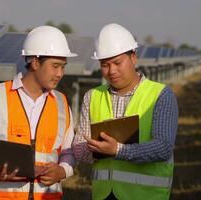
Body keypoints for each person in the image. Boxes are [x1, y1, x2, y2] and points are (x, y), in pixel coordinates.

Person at [0, 25, 77, 200]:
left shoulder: (62, 103)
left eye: (63, 66)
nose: (60, 73)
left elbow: (68, 152)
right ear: (35, 62)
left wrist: (62, 170)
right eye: (55, 66)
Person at [72, 23, 178, 200]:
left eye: (117, 62)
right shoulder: (92, 96)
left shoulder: (161, 95)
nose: (111, 71)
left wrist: (118, 150)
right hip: (104, 195)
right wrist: (91, 149)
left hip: (146, 196)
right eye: (105, 65)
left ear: (133, 57)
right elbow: (79, 146)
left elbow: (163, 147)